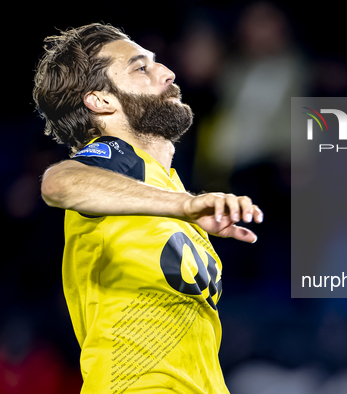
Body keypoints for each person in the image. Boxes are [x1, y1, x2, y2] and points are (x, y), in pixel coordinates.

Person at [33, 23, 263, 394]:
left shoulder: (161, 185)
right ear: (102, 100)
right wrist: (184, 205)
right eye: (141, 67)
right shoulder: (117, 157)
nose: (167, 73)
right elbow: (58, 183)